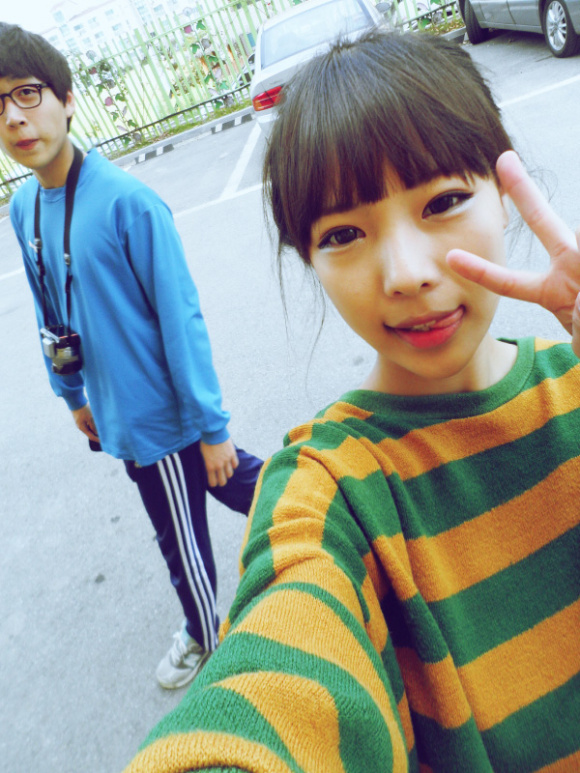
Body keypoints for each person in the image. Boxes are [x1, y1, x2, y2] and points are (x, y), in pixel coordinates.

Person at [124, 27, 580, 771]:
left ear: (506, 194)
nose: (405, 273)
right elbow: (276, 675)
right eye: (343, 234)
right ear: (309, 259)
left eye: (444, 200)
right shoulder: (329, 489)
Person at [0, 23, 262, 691]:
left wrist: (211, 427)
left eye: (26, 93)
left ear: (66, 100)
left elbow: (181, 319)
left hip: (158, 421)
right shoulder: (24, 207)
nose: (14, 117)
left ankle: (211, 643)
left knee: (182, 542)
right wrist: (73, 397)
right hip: (114, 411)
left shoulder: (128, 202)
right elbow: (47, 311)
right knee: (237, 486)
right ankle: (328, 512)